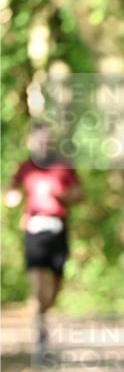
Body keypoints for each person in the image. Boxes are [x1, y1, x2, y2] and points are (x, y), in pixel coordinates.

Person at [4, 125, 83, 360]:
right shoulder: (25, 168)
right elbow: (9, 194)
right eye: (39, 141)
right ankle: (41, 337)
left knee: (55, 288)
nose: (43, 145)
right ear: (31, 142)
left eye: (47, 141)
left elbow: (80, 194)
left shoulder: (63, 166)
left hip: (58, 228)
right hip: (34, 229)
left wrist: (64, 196)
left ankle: (41, 316)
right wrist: (13, 196)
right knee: (39, 287)